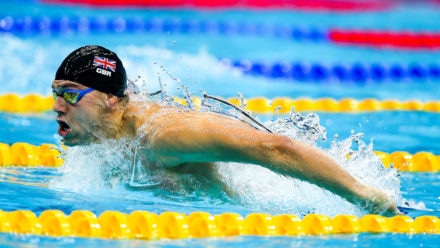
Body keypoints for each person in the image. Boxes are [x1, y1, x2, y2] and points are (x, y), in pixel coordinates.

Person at [52, 45, 400, 215]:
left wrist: (364, 195)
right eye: (55, 93)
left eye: (69, 94)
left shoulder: (163, 136)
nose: (57, 106)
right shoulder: (102, 137)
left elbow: (274, 148)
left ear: (112, 99)